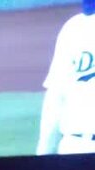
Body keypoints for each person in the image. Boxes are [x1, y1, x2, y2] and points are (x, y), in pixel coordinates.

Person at [38, 0, 95, 156]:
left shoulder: (74, 29)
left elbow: (55, 100)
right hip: (76, 147)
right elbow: (56, 98)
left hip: (75, 146)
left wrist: (43, 156)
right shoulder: (73, 29)